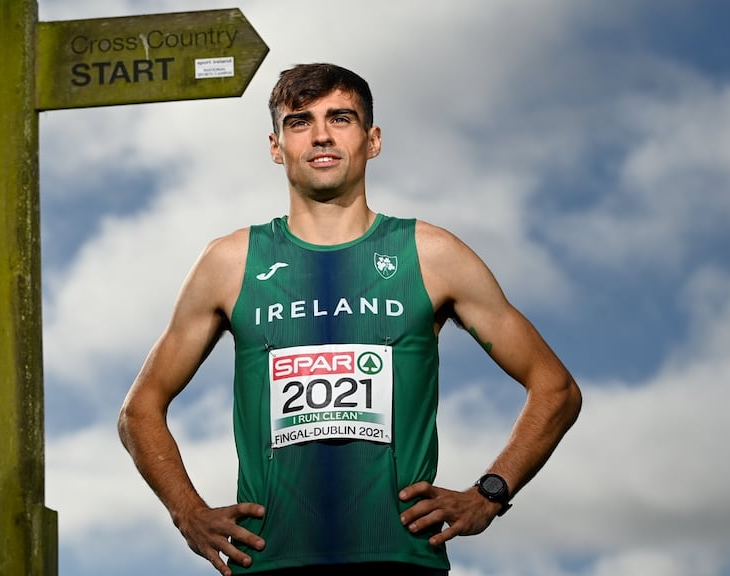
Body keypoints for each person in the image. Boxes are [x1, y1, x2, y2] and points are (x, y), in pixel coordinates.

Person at [118, 63, 582, 576]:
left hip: (400, 559)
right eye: (300, 122)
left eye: (340, 118)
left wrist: (489, 494)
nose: (321, 135)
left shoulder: (431, 254)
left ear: (372, 139)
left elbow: (555, 389)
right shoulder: (229, 263)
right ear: (276, 146)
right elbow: (140, 411)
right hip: (270, 563)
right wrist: (188, 513)